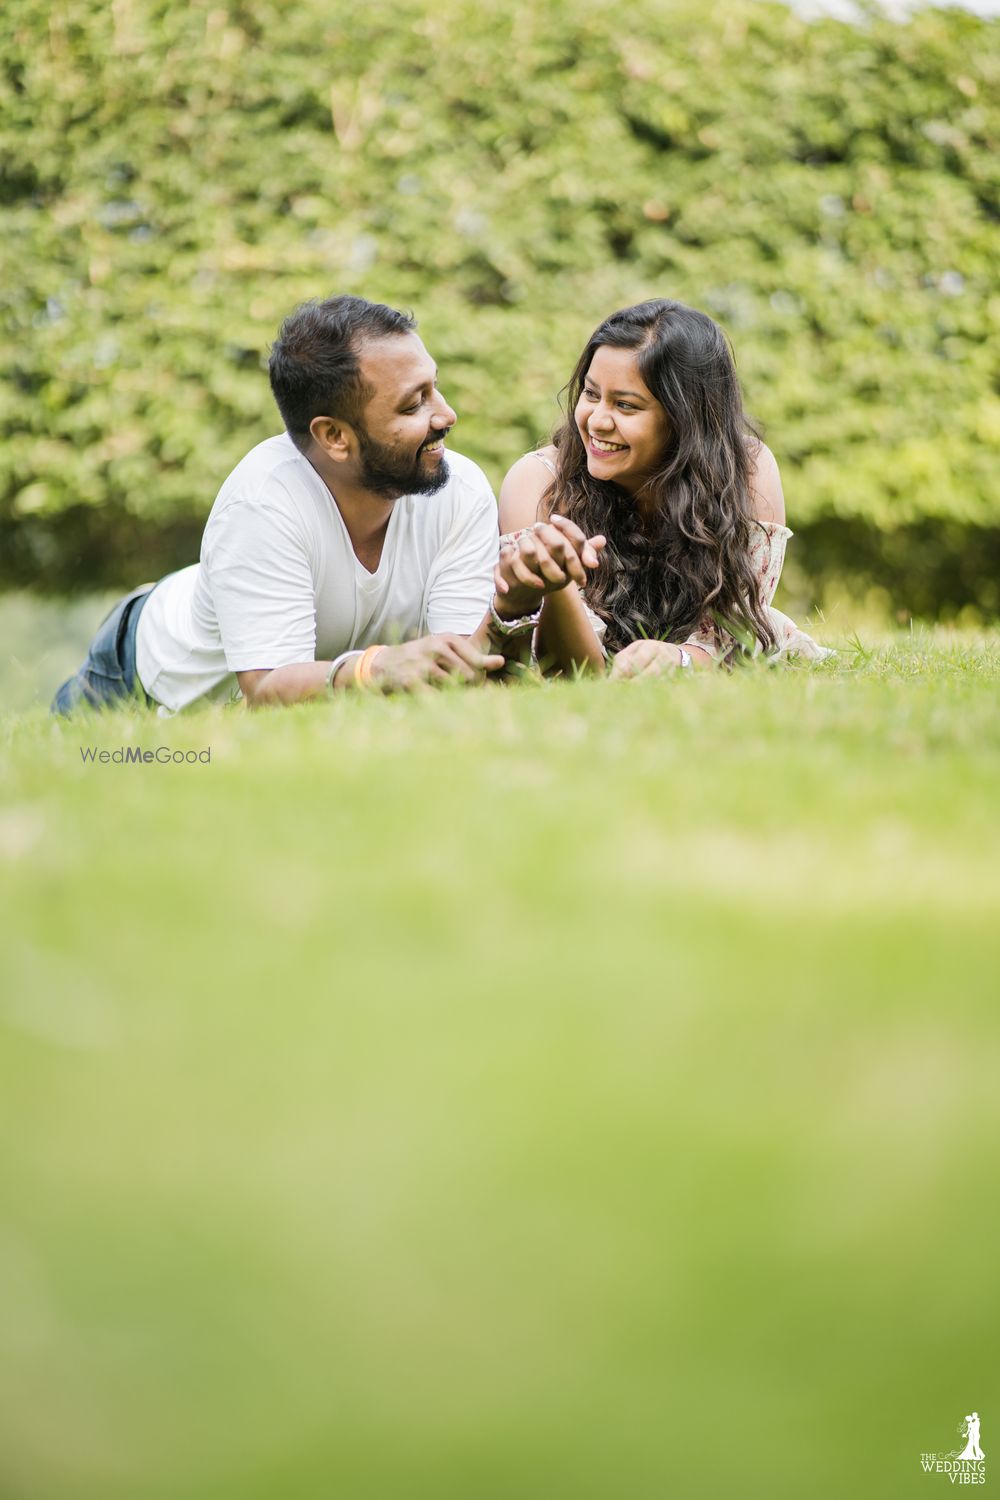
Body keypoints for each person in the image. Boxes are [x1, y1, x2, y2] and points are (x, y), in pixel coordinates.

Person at [52, 295, 601, 715]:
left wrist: (517, 599)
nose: (447, 414)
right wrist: (376, 667)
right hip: (141, 677)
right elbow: (267, 689)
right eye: (415, 404)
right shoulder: (262, 501)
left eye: (435, 388)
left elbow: (461, 672)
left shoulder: (458, 489)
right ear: (335, 436)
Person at [492, 298, 830, 675]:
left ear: (684, 418)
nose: (597, 421)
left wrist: (679, 659)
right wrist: (559, 585)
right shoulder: (539, 484)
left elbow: (734, 638)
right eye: (591, 394)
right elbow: (567, 669)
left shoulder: (747, 471)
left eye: (626, 406)